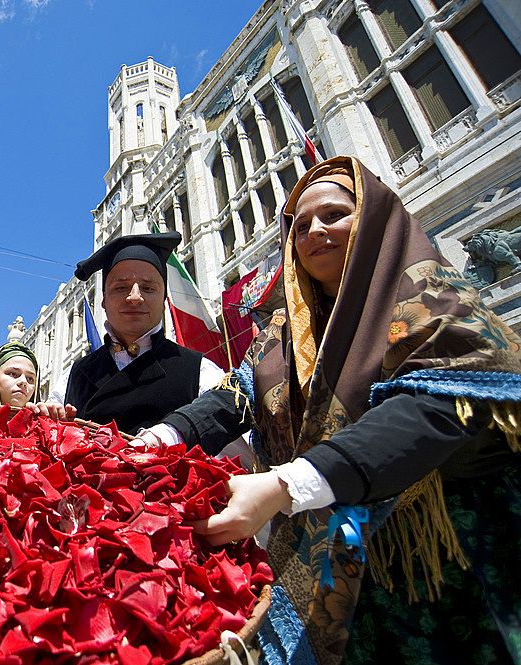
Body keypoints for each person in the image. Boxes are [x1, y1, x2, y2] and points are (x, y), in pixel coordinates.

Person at [136, 156, 521, 665]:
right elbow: (235, 397)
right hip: (334, 571)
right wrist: (159, 438)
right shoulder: (284, 334)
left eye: (335, 214)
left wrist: (287, 485)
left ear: (372, 220)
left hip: (438, 559)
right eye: (300, 225)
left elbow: (440, 402)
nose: (316, 231)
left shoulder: (433, 295)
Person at [31, 231, 225, 434]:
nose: (134, 297)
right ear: (104, 301)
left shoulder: (201, 373)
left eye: (148, 288)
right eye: (121, 287)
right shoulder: (73, 377)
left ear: (164, 299)